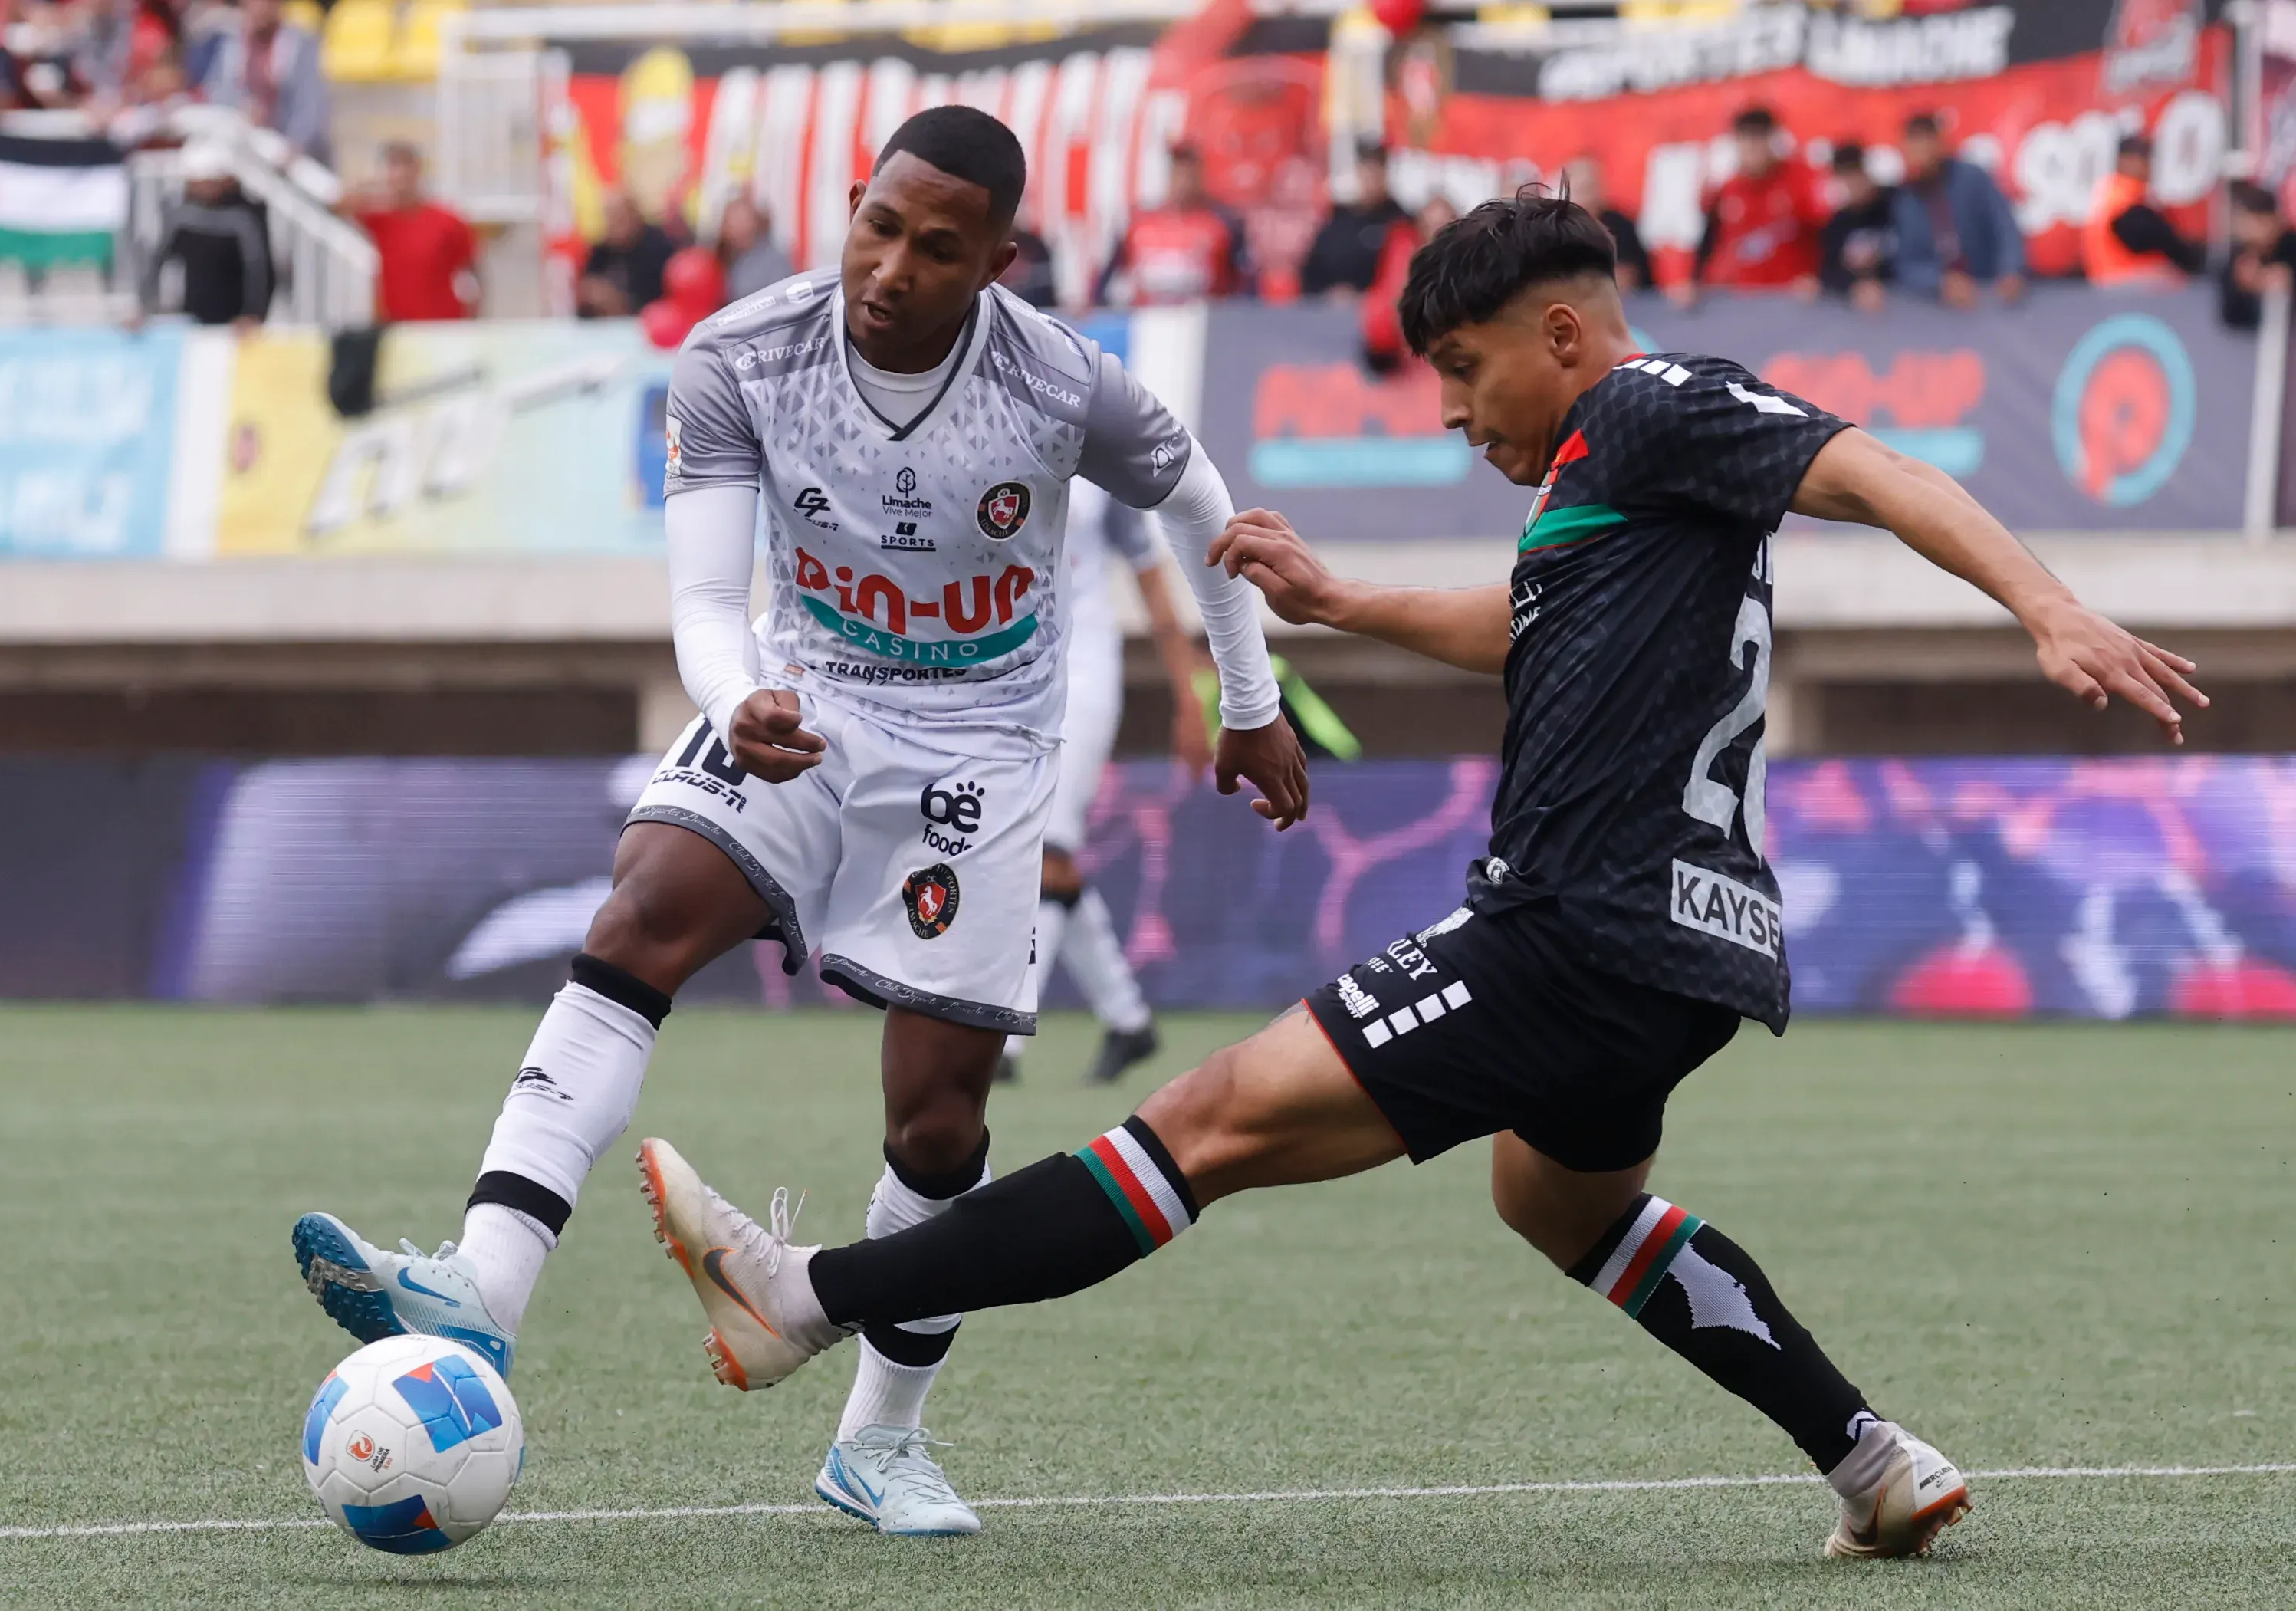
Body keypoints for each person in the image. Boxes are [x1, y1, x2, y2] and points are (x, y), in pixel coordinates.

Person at [640, 189, 2210, 1560]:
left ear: (1561, 335)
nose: (1452, 410)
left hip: (1570, 927)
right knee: (1555, 1198)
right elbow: (1515, 624)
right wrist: (1338, 601)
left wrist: (2047, 608)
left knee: (1204, 1125)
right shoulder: (1614, 479)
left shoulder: (1654, 403)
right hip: (1688, 951)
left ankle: (807, 1297)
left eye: (1463, 368)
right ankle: (1870, 1463)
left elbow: (1871, 469)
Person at [291, 106, 1305, 1539]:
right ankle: (483, 1288)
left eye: (936, 248)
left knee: (938, 1118)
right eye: (877, 224)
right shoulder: (740, 357)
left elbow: (1204, 506)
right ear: (852, 201)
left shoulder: (1063, 381)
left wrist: (1249, 700)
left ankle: (877, 1442)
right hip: (803, 697)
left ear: (998, 263)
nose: (890, 267)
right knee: (643, 910)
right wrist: (736, 695)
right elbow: (709, 597)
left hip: (982, 746)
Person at [995, 482, 1213, 1088]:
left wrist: (1190, 698)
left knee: (1047, 852)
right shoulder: (985, 450)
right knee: (1044, 859)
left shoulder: (1100, 472)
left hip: (1083, 677)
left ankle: (1004, 1040)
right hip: (1006, 678)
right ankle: (1129, 1019)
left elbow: (1152, 580)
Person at [1681, 105, 1822, 304]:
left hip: (1791, 300)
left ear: (1773, 140)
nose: (1753, 147)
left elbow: (1825, 236)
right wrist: (1694, 284)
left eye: (1759, 138)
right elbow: (1708, 243)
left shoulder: (1800, 181)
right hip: (1740, 302)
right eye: (1746, 139)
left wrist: (1818, 278)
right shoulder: (1726, 191)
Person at [1888, 113, 2024, 307]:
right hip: (1942, 306)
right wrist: (1941, 282)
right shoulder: (1905, 202)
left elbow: (2005, 228)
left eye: (1925, 146)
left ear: (1940, 144)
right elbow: (1907, 264)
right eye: (1913, 148)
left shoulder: (1973, 180)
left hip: (1993, 292)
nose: (1920, 155)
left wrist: (2011, 270)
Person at [137, 138, 271, 327]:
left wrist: (254, 314)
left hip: (235, 324)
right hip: (191, 319)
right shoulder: (180, 214)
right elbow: (155, 261)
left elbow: (259, 270)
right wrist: (144, 307)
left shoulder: (246, 216)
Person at [1099, 145, 1247, 307]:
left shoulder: (1221, 224)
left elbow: (1240, 285)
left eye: (1188, 175)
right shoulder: (1138, 224)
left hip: (1203, 314)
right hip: (1146, 315)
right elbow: (1108, 281)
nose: (1183, 183)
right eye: (1178, 174)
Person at [350, 142, 478, 322]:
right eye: (394, 166)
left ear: (418, 170)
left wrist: (475, 320)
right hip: (396, 325)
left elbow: (473, 270)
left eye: (406, 165)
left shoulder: (448, 221)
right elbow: (338, 206)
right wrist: (372, 181)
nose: (400, 174)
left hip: (442, 324)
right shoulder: (380, 220)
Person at [195, 0, 328, 164]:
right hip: (244, 146)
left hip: (290, 152)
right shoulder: (233, 45)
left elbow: (311, 107)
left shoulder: (300, 44)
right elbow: (217, 96)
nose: (257, 8)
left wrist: (294, 147)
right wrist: (242, 113)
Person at [2083, 134, 2205, 286]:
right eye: (2143, 159)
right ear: (2124, 161)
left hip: (2107, 287)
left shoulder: (2108, 196)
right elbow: (2174, 248)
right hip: (2136, 288)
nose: (2149, 166)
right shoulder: (2128, 206)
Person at [1300, 140, 1408, 298]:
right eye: (1366, 173)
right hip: (1327, 306)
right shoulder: (1338, 219)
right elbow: (1312, 268)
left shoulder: (1399, 221)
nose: (1370, 181)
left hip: (1376, 307)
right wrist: (1327, 294)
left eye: (1376, 173)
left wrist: (1363, 297)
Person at [1362, 193, 1457, 370]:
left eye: (1444, 226)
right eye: (1432, 226)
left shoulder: (1464, 264)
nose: (1437, 233)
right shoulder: (1403, 251)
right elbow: (1395, 298)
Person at [1818, 143, 1894, 312]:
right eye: (1846, 179)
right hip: (1860, 310)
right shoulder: (1838, 223)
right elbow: (1829, 270)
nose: (1853, 185)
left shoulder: (1895, 205)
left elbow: (1912, 254)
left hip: (1903, 300)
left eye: (1856, 176)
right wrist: (1854, 286)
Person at [576, 189, 675, 318]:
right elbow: (586, 286)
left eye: (619, 218)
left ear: (635, 215)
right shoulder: (602, 249)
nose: (613, 224)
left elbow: (657, 299)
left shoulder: (658, 247)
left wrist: (615, 301)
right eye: (609, 218)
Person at [1562, 156, 1650, 292]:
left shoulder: (1620, 225)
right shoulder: (1555, 228)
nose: (1587, 197)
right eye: (1581, 189)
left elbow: (1625, 280)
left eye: (1591, 188)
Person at [2220, 180, 2296, 330]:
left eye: (2256, 224)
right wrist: (2252, 287)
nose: (2249, 234)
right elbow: (2231, 316)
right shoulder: (2238, 262)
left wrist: (2289, 280)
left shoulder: (2291, 243)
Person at [715, 193, 792, 301]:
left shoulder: (774, 261)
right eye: (731, 222)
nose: (739, 227)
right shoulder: (725, 259)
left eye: (742, 220)